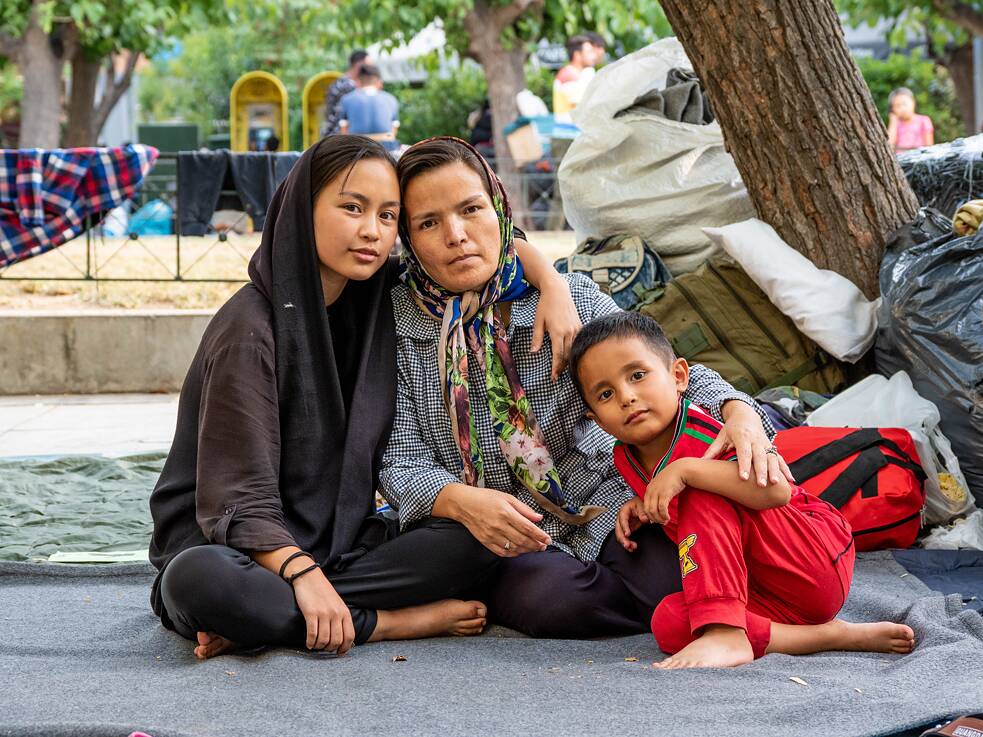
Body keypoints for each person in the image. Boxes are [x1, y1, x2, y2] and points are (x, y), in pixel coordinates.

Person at [148, 135, 579, 660]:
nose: (371, 231)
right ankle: (384, 623)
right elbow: (238, 501)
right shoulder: (250, 333)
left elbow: (481, 251)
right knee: (201, 583)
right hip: (236, 548)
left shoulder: (371, 291)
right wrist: (302, 575)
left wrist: (552, 284)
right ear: (301, 209)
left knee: (474, 539)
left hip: (340, 544)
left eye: (388, 215)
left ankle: (273, 620)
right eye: (352, 208)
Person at [380, 136, 791, 639]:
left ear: (501, 211)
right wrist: (460, 500)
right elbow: (399, 456)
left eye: (471, 209)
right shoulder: (395, 325)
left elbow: (655, 369)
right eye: (428, 222)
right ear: (408, 239)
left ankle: (676, 605)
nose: (457, 235)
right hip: (482, 527)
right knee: (550, 600)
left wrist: (739, 410)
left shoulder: (567, 296)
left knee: (668, 572)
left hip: (602, 502)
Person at [568, 311, 917, 668]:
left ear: (678, 377)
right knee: (669, 621)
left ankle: (726, 632)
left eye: (638, 375)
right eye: (606, 393)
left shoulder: (708, 436)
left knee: (700, 488)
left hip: (807, 558)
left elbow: (776, 493)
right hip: (759, 590)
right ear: (597, 420)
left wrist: (687, 469)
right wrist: (646, 503)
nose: (626, 396)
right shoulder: (625, 456)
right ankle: (829, 636)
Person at [553, 35, 601, 123]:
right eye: (589, 52)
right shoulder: (569, 75)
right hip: (569, 128)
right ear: (577, 55)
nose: (593, 56)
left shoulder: (578, 73)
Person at [322, 50, 371, 137]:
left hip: (334, 135)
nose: (370, 70)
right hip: (339, 137)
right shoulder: (348, 86)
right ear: (358, 65)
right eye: (368, 66)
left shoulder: (341, 82)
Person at [888, 87, 934, 152]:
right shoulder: (895, 124)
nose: (902, 108)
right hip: (901, 159)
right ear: (892, 109)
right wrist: (893, 121)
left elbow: (929, 147)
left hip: (920, 157)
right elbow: (889, 146)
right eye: (898, 106)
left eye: (904, 103)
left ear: (913, 102)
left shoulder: (924, 120)